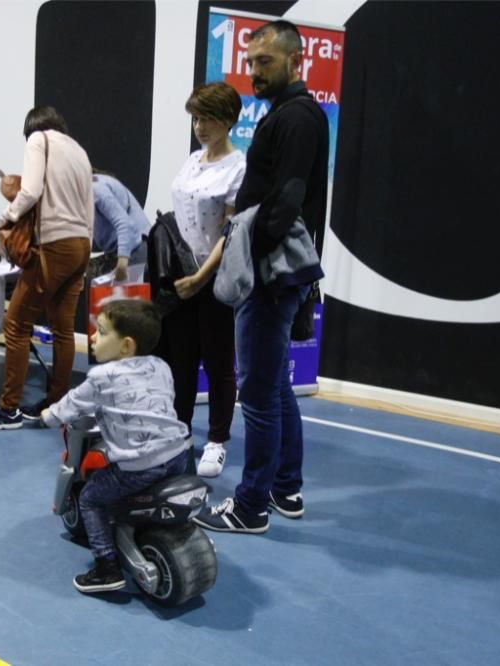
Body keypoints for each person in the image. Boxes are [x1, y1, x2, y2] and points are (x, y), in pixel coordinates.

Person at [194, 20, 329, 533]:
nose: (254, 72)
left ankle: (250, 507)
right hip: (281, 273)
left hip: (271, 276)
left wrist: (252, 254)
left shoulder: (294, 118)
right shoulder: (293, 115)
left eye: (264, 62)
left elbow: (287, 199)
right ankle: (285, 488)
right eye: (250, 63)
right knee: (274, 388)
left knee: (257, 393)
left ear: (296, 61)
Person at [40, 299, 190, 593]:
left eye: (102, 331)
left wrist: (46, 415)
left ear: (126, 346)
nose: (93, 337)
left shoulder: (101, 377)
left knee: (91, 499)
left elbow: (68, 407)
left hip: (140, 466)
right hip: (178, 453)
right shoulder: (161, 366)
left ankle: (107, 567)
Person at [0, 106, 94, 430]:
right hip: (81, 245)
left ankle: (8, 409)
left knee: (15, 323)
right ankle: (57, 403)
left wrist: (7, 216)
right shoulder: (78, 149)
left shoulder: (38, 139)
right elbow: (87, 204)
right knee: (63, 328)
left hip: (54, 244)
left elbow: (31, 190)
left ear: (32, 128)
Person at [156, 81, 245, 478]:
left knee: (219, 361)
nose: (199, 126)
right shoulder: (192, 161)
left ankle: (217, 441)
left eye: (208, 118)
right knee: (181, 360)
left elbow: (231, 232)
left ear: (227, 120)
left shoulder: (239, 167)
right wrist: (181, 275)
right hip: (179, 278)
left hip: (214, 279)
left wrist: (201, 277)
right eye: (195, 117)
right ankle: (180, 433)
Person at [90, 172, 151, 282]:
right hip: (121, 250)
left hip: (136, 247)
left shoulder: (96, 190)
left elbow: (124, 223)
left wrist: (122, 264)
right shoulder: (86, 192)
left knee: (132, 296)